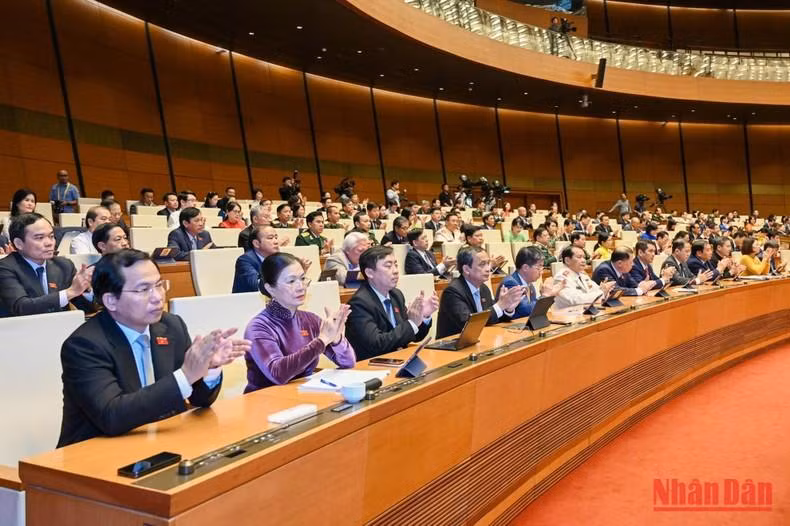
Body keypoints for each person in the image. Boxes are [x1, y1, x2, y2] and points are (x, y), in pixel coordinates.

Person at [58, 249, 249, 447]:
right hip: (94, 453)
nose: (158, 297)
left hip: (159, 442)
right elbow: (111, 416)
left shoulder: (171, 326)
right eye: (143, 290)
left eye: (159, 285)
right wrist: (186, 375)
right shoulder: (85, 345)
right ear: (111, 301)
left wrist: (209, 368)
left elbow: (199, 398)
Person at [243, 253, 355, 392]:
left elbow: (348, 362)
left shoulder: (310, 319)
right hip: (265, 401)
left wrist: (336, 338)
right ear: (270, 289)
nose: (301, 287)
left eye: (302, 279)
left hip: (303, 395)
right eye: (291, 281)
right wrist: (322, 340)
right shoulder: (259, 327)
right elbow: (278, 374)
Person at [344, 246, 436, 360]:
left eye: (396, 265)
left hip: (398, 360)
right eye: (388, 266)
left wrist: (423, 317)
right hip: (371, 367)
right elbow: (377, 344)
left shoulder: (396, 295)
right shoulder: (359, 304)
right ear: (369, 273)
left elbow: (414, 337)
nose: (396, 271)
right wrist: (412, 323)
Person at [0, 213, 95, 317]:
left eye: (51, 236)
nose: (49, 243)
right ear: (19, 243)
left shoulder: (64, 265)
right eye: (39, 238)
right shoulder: (5, 268)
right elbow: (21, 307)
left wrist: (86, 288)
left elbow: (87, 308)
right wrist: (70, 292)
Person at [436, 246, 522, 338]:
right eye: (482, 264)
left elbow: (493, 318)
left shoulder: (483, 288)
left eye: (488, 263)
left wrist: (508, 308)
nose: (488, 269)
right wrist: (500, 306)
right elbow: (468, 324)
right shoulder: (453, 292)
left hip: (480, 341)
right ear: (466, 269)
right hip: (454, 346)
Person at [495, 246, 561, 319]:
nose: (541, 272)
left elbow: (534, 312)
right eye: (539, 267)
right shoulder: (511, 283)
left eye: (542, 267)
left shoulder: (529, 284)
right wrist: (545, 295)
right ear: (525, 268)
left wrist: (551, 295)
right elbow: (526, 310)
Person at [233, 226, 294, 293]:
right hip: (248, 301)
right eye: (270, 238)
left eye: (276, 238)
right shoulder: (245, 260)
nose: (276, 242)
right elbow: (257, 285)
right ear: (256, 243)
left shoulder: (279, 258)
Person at [553, 246, 616, 310]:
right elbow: (575, 299)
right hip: (569, 315)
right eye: (579, 257)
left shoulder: (582, 275)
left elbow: (597, 290)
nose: (583, 260)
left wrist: (605, 289)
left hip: (586, 311)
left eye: (584, 257)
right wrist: (601, 292)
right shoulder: (561, 277)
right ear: (567, 260)